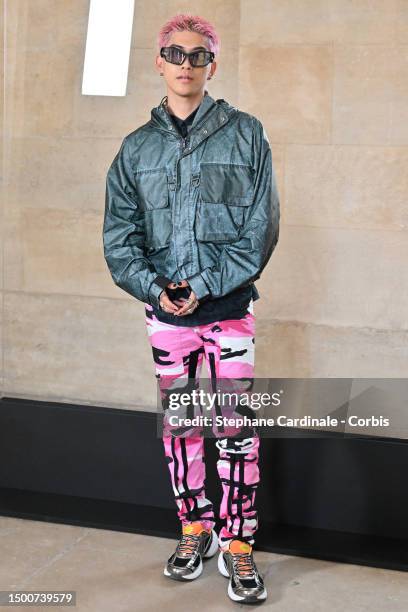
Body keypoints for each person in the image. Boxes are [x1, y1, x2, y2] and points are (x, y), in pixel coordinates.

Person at [103, 13, 280, 605]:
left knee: (235, 429)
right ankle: (194, 530)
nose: (185, 64)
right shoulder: (135, 149)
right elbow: (119, 237)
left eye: (197, 55)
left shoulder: (247, 134)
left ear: (212, 64)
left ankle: (239, 543)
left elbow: (261, 229)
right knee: (180, 428)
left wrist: (204, 284)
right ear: (158, 62)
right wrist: (156, 289)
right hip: (166, 319)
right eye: (175, 54)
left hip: (228, 311)